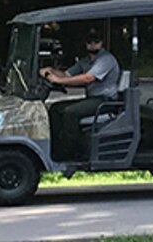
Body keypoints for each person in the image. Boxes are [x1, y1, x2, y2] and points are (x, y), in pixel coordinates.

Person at [40, 29, 122, 161]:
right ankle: (55, 147)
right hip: (92, 99)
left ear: (101, 43)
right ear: (85, 44)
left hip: (105, 101)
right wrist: (50, 71)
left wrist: (58, 81)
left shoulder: (106, 59)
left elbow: (88, 78)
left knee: (70, 112)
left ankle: (68, 154)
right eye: (90, 42)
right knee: (55, 108)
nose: (93, 44)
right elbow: (67, 74)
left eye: (96, 41)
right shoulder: (84, 61)